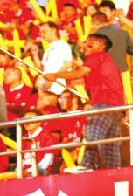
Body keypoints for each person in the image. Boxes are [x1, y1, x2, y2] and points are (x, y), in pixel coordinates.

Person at [45, 34, 124, 171]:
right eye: (86, 42)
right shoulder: (108, 62)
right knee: (110, 144)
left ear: (101, 46)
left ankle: (88, 166)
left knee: (93, 134)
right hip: (117, 108)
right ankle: (112, 172)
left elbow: (79, 73)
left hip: (104, 103)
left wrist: (56, 75)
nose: (86, 46)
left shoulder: (97, 56)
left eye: (90, 43)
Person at [36, 21, 73, 96]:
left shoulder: (62, 45)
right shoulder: (48, 49)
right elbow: (42, 68)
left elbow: (67, 64)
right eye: (40, 33)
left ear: (53, 30)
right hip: (46, 89)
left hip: (58, 88)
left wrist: (51, 79)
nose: (42, 35)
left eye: (44, 31)